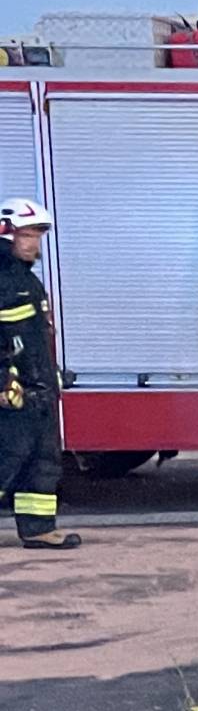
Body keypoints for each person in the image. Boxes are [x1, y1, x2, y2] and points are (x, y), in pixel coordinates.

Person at [0, 199, 77, 550]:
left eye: (37, 236)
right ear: (6, 235)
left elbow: (34, 337)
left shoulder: (26, 280)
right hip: (13, 392)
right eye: (27, 235)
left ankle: (38, 528)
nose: (34, 244)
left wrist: (51, 374)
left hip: (38, 390)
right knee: (7, 459)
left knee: (42, 462)